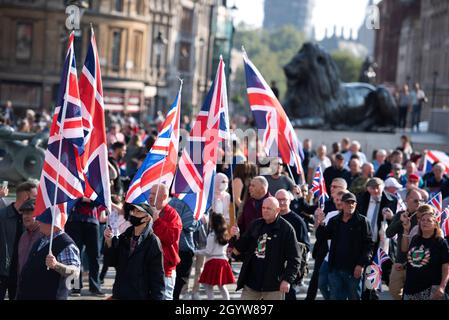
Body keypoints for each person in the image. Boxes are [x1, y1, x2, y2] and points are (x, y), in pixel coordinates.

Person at [230, 197, 301, 300]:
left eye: (269, 208)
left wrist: (287, 280)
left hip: (274, 285)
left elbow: (295, 258)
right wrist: (235, 236)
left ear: (277, 210)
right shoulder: (255, 225)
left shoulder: (286, 229)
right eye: (263, 208)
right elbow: (241, 248)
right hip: (252, 283)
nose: (265, 211)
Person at [315, 192, 374, 300]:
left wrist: (360, 265)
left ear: (356, 205)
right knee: (336, 297)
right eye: (347, 202)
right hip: (336, 268)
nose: (350, 205)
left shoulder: (363, 222)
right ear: (342, 204)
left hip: (353, 269)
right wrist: (321, 223)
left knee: (354, 297)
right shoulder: (334, 220)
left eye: (353, 203)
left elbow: (369, 246)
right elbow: (322, 237)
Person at [104, 203, 165, 300]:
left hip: (139, 295)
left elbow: (157, 276)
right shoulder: (124, 236)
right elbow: (112, 262)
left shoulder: (152, 241)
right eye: (133, 211)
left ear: (147, 218)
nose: (133, 214)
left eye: (138, 212)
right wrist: (109, 242)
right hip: (120, 293)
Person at [16, 216, 80, 300]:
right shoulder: (41, 240)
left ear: (53, 223)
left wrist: (56, 265)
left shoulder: (65, 244)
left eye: (42, 220)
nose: (38, 222)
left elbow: (74, 273)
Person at [401, 205, 449, 300]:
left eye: (429, 220)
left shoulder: (440, 242)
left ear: (435, 224)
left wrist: (442, 287)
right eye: (422, 220)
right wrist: (406, 229)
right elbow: (405, 250)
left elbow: (446, 267)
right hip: (410, 288)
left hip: (430, 290)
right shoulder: (415, 239)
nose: (425, 222)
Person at [0, 181, 37, 300]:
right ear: (26, 197)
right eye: (35, 197)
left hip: (20, 275)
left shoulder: (33, 221)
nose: (37, 200)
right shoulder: (2, 216)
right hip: (2, 273)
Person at [385, 188, 424, 300]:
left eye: (421, 200)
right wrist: (400, 221)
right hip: (400, 260)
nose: (419, 203)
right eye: (416, 200)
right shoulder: (400, 215)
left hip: (417, 261)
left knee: (414, 293)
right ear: (407, 200)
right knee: (393, 290)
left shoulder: (423, 217)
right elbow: (389, 233)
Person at [65, 198, 105, 297]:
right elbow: (67, 197)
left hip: (92, 222)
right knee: (74, 256)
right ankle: (75, 287)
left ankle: (95, 287)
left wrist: (90, 200)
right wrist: (81, 198)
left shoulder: (96, 182)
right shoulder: (74, 182)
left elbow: (100, 200)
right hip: (73, 221)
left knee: (95, 255)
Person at [275, 189, 310, 300]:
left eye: (284, 200)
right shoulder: (271, 219)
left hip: (290, 268)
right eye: (278, 200)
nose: (281, 202)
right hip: (272, 268)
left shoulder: (298, 221)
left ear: (290, 201)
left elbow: (305, 246)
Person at [149, 184, 182, 300]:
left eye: (154, 194)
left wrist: (157, 220)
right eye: (150, 193)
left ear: (163, 196)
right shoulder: (146, 212)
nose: (150, 196)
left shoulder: (173, 215)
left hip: (165, 271)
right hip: (147, 269)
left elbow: (170, 237)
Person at [196, 213, 235, 300]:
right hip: (223, 262)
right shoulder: (225, 235)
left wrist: (197, 251)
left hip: (213, 262)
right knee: (221, 286)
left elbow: (208, 251)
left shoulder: (212, 235)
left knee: (208, 285)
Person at [16, 199, 41, 280]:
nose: (25, 216)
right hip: (23, 285)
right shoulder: (23, 236)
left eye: (30, 213)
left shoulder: (46, 236)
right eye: (24, 213)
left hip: (40, 285)